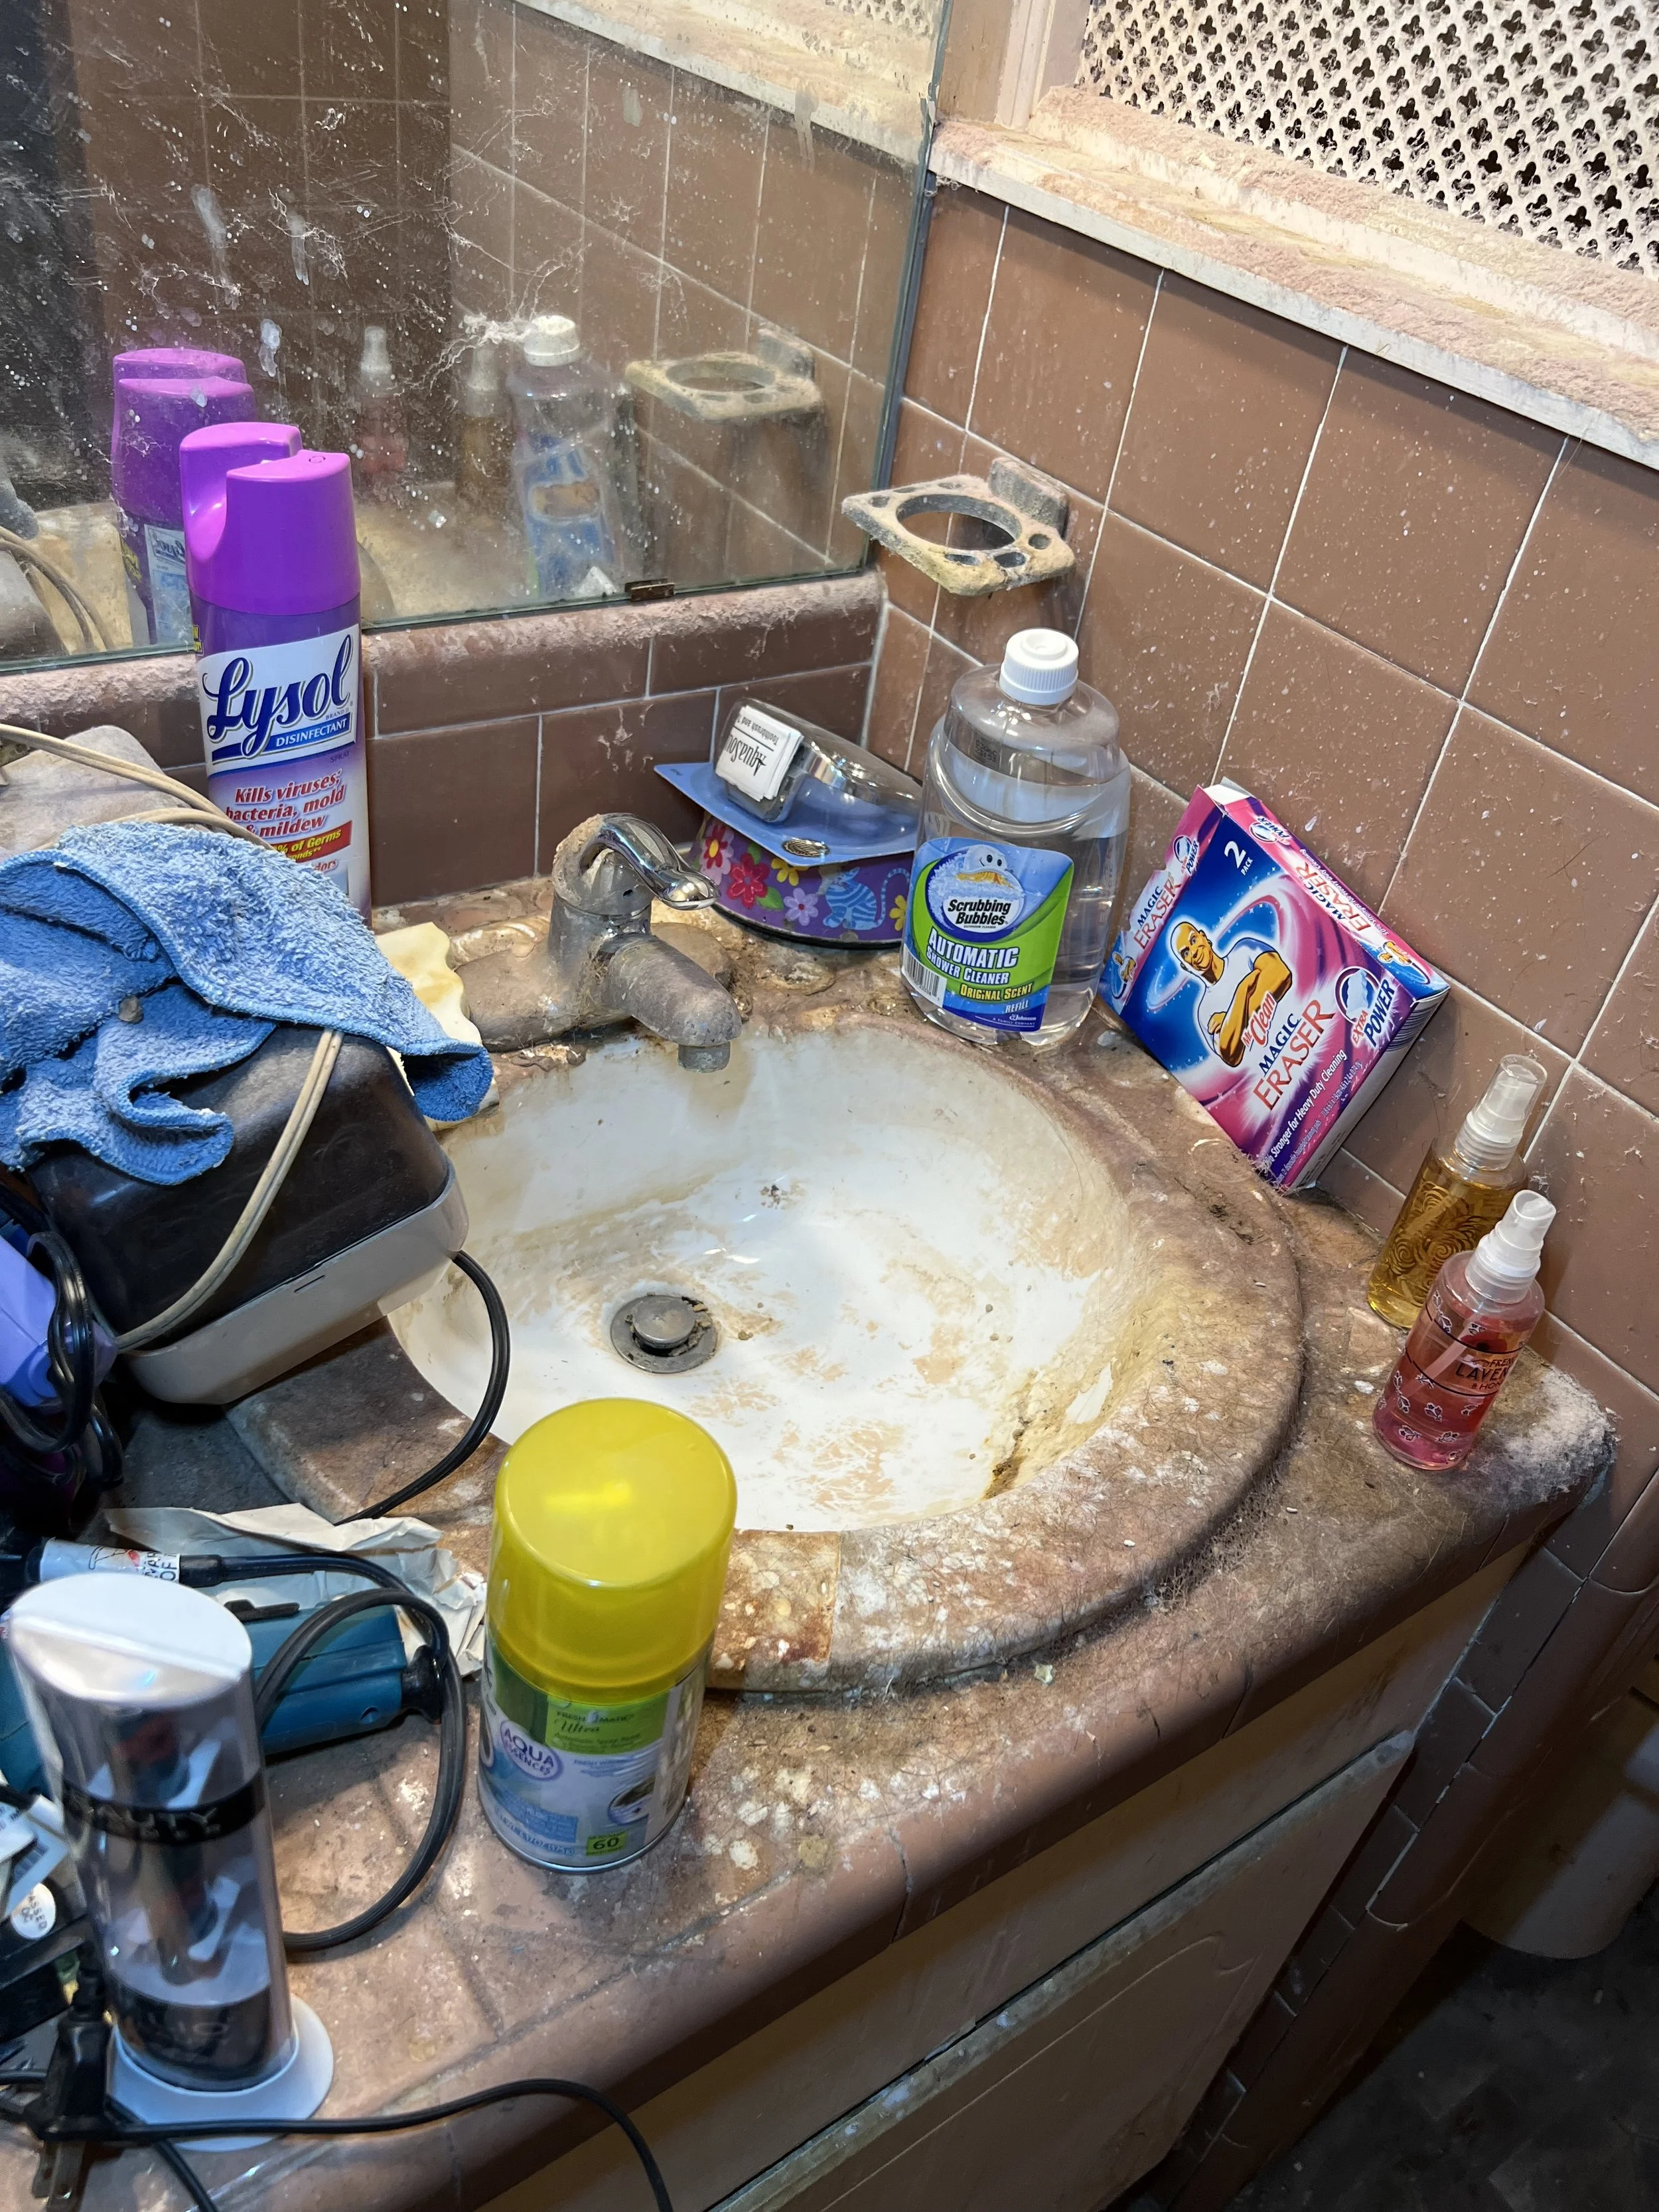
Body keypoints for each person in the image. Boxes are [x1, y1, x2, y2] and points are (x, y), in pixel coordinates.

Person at [1170, 919, 1292, 1068]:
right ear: (1185, 967)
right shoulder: (1205, 1012)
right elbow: (1230, 1054)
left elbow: (1281, 974)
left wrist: (1231, 1021)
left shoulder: (1244, 950)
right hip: (1271, 1068)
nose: (1194, 952)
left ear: (1204, 937)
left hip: (1303, 1028)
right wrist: (1243, 990)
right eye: (1186, 953)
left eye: (1194, 940)